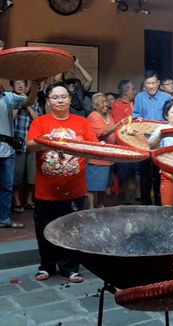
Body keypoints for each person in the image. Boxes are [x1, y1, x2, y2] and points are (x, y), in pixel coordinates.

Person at [26, 81, 99, 283]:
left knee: (72, 230)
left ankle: (70, 268)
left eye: (64, 96)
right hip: (46, 190)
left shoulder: (82, 122)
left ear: (69, 99)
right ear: (48, 102)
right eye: (55, 97)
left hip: (74, 189)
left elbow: (93, 147)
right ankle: (46, 266)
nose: (60, 100)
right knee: (45, 230)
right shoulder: (40, 122)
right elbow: (30, 146)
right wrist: (45, 141)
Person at [0, 79, 39, 228]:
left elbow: (29, 101)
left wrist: (35, 85)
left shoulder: (8, 96)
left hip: (8, 149)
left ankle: (4, 219)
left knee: (7, 186)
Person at [133, 70, 171, 205]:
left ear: (158, 83)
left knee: (159, 173)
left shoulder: (167, 97)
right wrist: (138, 118)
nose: (151, 86)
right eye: (148, 83)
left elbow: (170, 116)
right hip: (143, 141)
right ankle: (145, 204)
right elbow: (135, 115)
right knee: (144, 172)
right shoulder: (139, 97)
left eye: (154, 83)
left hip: (160, 140)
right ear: (145, 84)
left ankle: (160, 204)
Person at [86, 93, 126, 209]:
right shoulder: (93, 116)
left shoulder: (109, 115)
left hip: (108, 156)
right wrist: (120, 124)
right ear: (94, 105)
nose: (105, 103)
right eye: (101, 101)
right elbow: (103, 133)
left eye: (105, 101)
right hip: (97, 157)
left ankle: (100, 205)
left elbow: (115, 132)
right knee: (93, 186)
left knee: (103, 185)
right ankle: (91, 208)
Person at [11, 80, 43, 212]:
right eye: (17, 84)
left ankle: (29, 200)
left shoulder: (34, 102)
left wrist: (28, 104)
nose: (20, 86)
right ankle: (17, 201)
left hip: (31, 143)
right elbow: (9, 119)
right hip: (16, 143)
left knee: (32, 175)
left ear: (26, 87)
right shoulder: (10, 101)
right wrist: (19, 104)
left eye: (22, 84)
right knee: (17, 174)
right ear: (12, 87)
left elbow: (38, 121)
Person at [111, 80, 140, 204]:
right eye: (132, 89)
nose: (135, 91)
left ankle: (136, 197)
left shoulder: (136, 103)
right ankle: (127, 199)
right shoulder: (117, 105)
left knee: (137, 172)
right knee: (125, 175)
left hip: (138, 145)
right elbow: (120, 127)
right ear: (124, 92)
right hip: (124, 146)